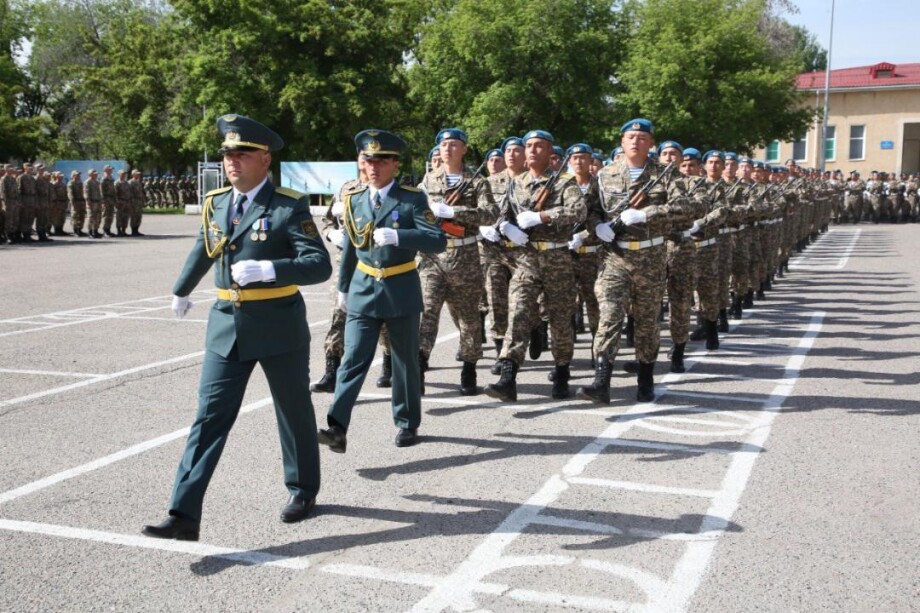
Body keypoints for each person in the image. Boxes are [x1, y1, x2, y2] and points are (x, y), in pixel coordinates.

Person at [142, 114, 331, 541]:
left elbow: (319, 265)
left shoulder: (287, 205)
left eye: (242, 154)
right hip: (226, 325)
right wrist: (181, 289)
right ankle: (183, 513)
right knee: (208, 418)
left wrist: (270, 269)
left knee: (293, 412)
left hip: (278, 325)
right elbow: (204, 247)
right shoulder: (217, 202)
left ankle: (303, 489)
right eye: (228, 154)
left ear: (265, 159)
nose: (232, 161)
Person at [318, 129, 446, 453]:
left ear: (395, 165)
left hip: (400, 287)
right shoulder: (354, 199)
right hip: (363, 288)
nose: (372, 167)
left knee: (404, 362)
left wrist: (400, 237)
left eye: (380, 161)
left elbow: (437, 240)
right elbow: (350, 248)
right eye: (368, 160)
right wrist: (344, 288)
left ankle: (407, 421)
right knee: (352, 359)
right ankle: (337, 426)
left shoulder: (411, 198)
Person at [576, 119, 686, 404]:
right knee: (609, 315)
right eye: (630, 137)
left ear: (651, 143)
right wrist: (596, 226)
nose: (636, 141)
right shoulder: (605, 175)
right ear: (622, 142)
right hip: (615, 257)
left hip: (650, 257)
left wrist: (648, 214)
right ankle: (602, 381)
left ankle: (646, 378)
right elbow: (588, 209)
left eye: (642, 137)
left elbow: (690, 207)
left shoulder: (666, 174)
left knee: (647, 321)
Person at [486, 129, 586, 401]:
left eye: (539, 146)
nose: (532, 150)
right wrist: (504, 226)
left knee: (560, 320)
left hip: (557, 260)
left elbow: (579, 212)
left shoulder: (565, 183)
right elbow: (501, 214)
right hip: (526, 259)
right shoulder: (515, 183)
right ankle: (508, 376)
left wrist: (542, 216)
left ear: (550, 151)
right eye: (528, 145)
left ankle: (562, 371)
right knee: (517, 314)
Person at [418, 128, 497, 395]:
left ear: (464, 149)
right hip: (433, 258)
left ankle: (469, 366)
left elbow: (490, 215)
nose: (448, 148)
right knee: (427, 312)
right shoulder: (428, 181)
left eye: (454, 144)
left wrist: (455, 212)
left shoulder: (477, 182)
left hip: (465, 257)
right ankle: (419, 364)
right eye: (443, 144)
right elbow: (416, 213)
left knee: (468, 317)